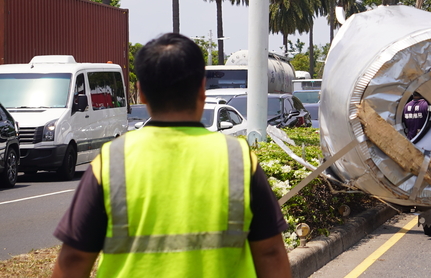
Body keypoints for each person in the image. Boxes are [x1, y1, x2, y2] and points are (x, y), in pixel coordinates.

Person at [51, 33, 291, 278]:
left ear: (141, 92)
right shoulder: (238, 159)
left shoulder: (111, 161)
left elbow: (74, 258)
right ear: (202, 88)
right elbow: (270, 252)